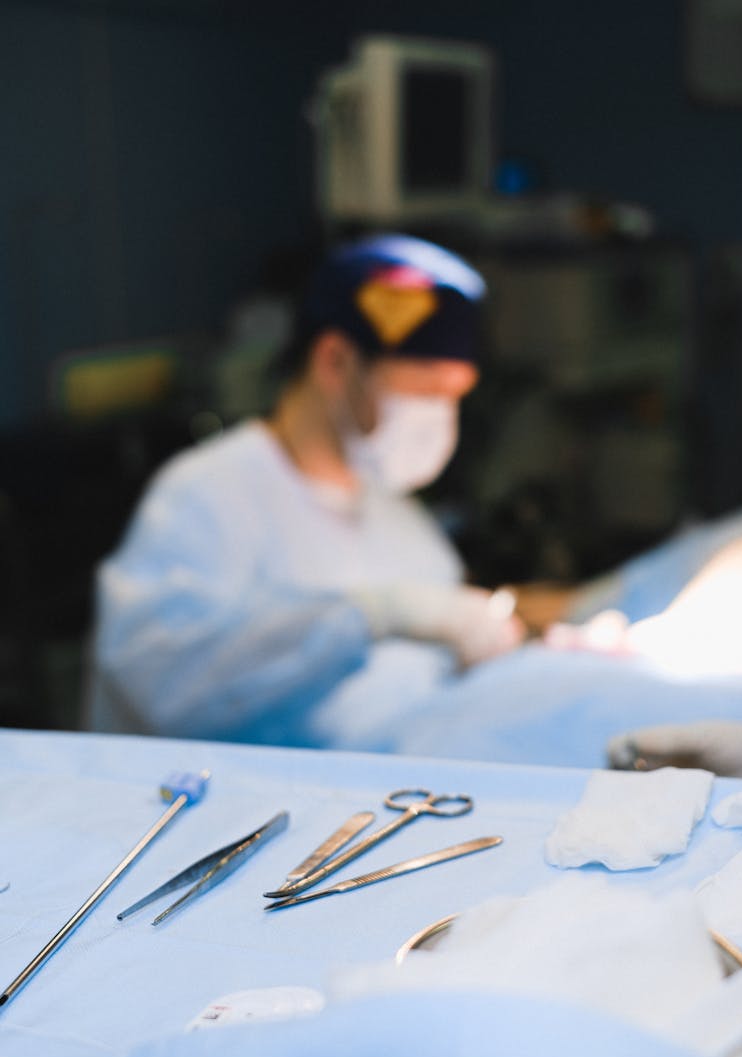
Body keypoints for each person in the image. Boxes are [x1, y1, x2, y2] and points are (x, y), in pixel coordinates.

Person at [86, 234, 525, 749]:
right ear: (334, 361)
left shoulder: (392, 511)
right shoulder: (205, 496)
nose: (440, 417)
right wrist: (368, 617)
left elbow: (431, 671)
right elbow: (166, 686)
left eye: (455, 396)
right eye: (426, 390)